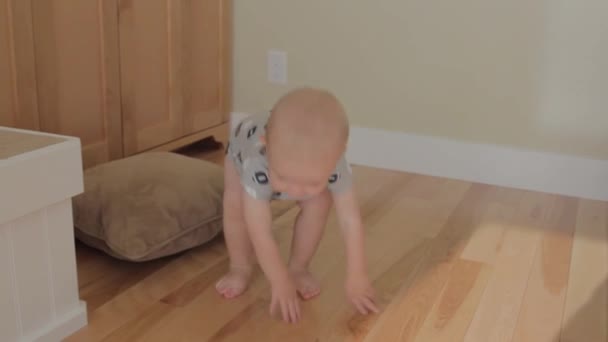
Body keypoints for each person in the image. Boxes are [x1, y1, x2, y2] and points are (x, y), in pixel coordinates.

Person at [216, 87, 378, 323]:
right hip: (243, 146)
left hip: (284, 160)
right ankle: (239, 266)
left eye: (311, 182)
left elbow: (350, 220)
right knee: (236, 208)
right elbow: (259, 231)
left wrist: (357, 275)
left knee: (320, 201)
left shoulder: (334, 163)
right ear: (267, 147)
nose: (294, 191)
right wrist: (278, 281)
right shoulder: (256, 161)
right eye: (283, 178)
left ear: (337, 156)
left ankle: (299, 267)